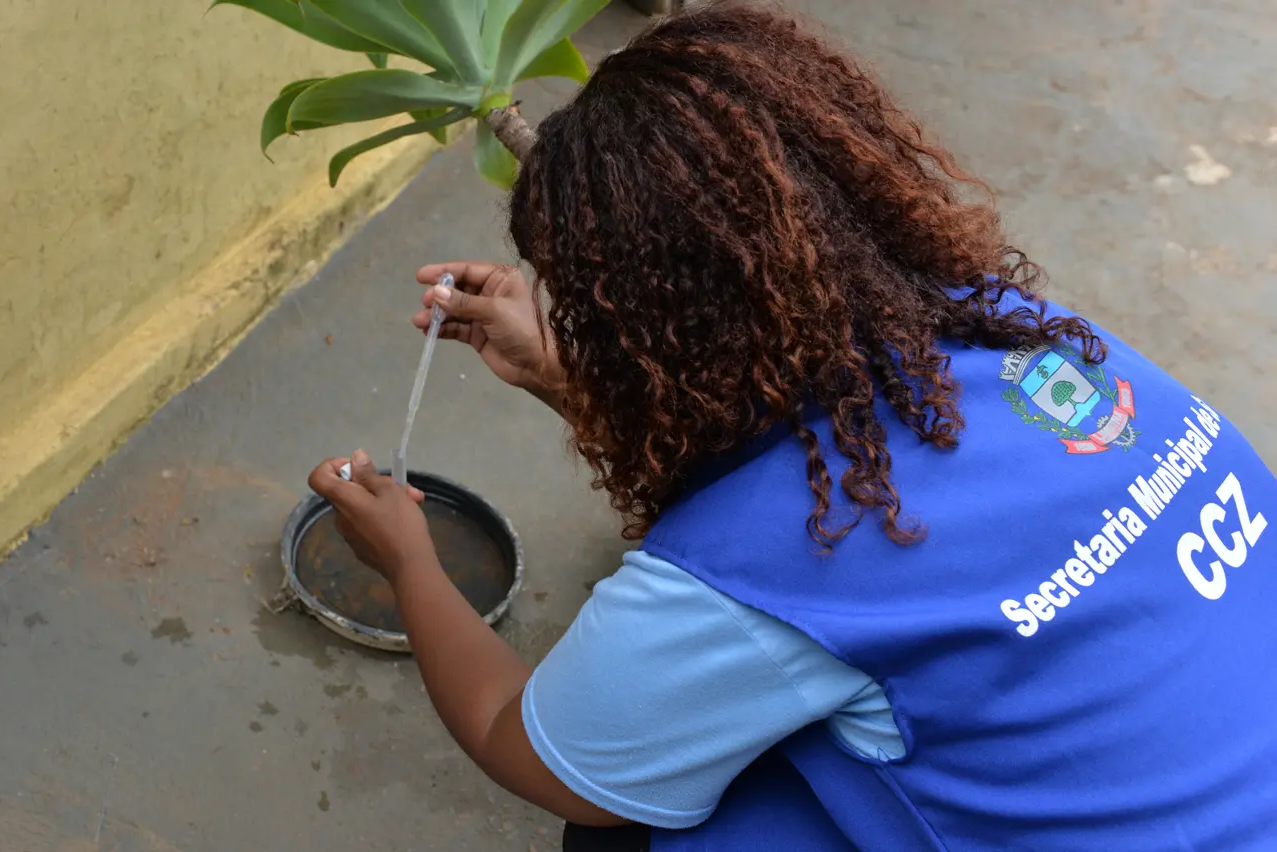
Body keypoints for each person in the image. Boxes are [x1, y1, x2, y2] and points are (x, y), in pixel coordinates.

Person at [306, 4, 1277, 850]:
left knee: (627, 826)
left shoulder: (774, 565)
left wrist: (408, 562)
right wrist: (574, 379)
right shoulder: (1006, 331)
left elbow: (525, 745)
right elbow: (805, 421)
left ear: (646, 331)